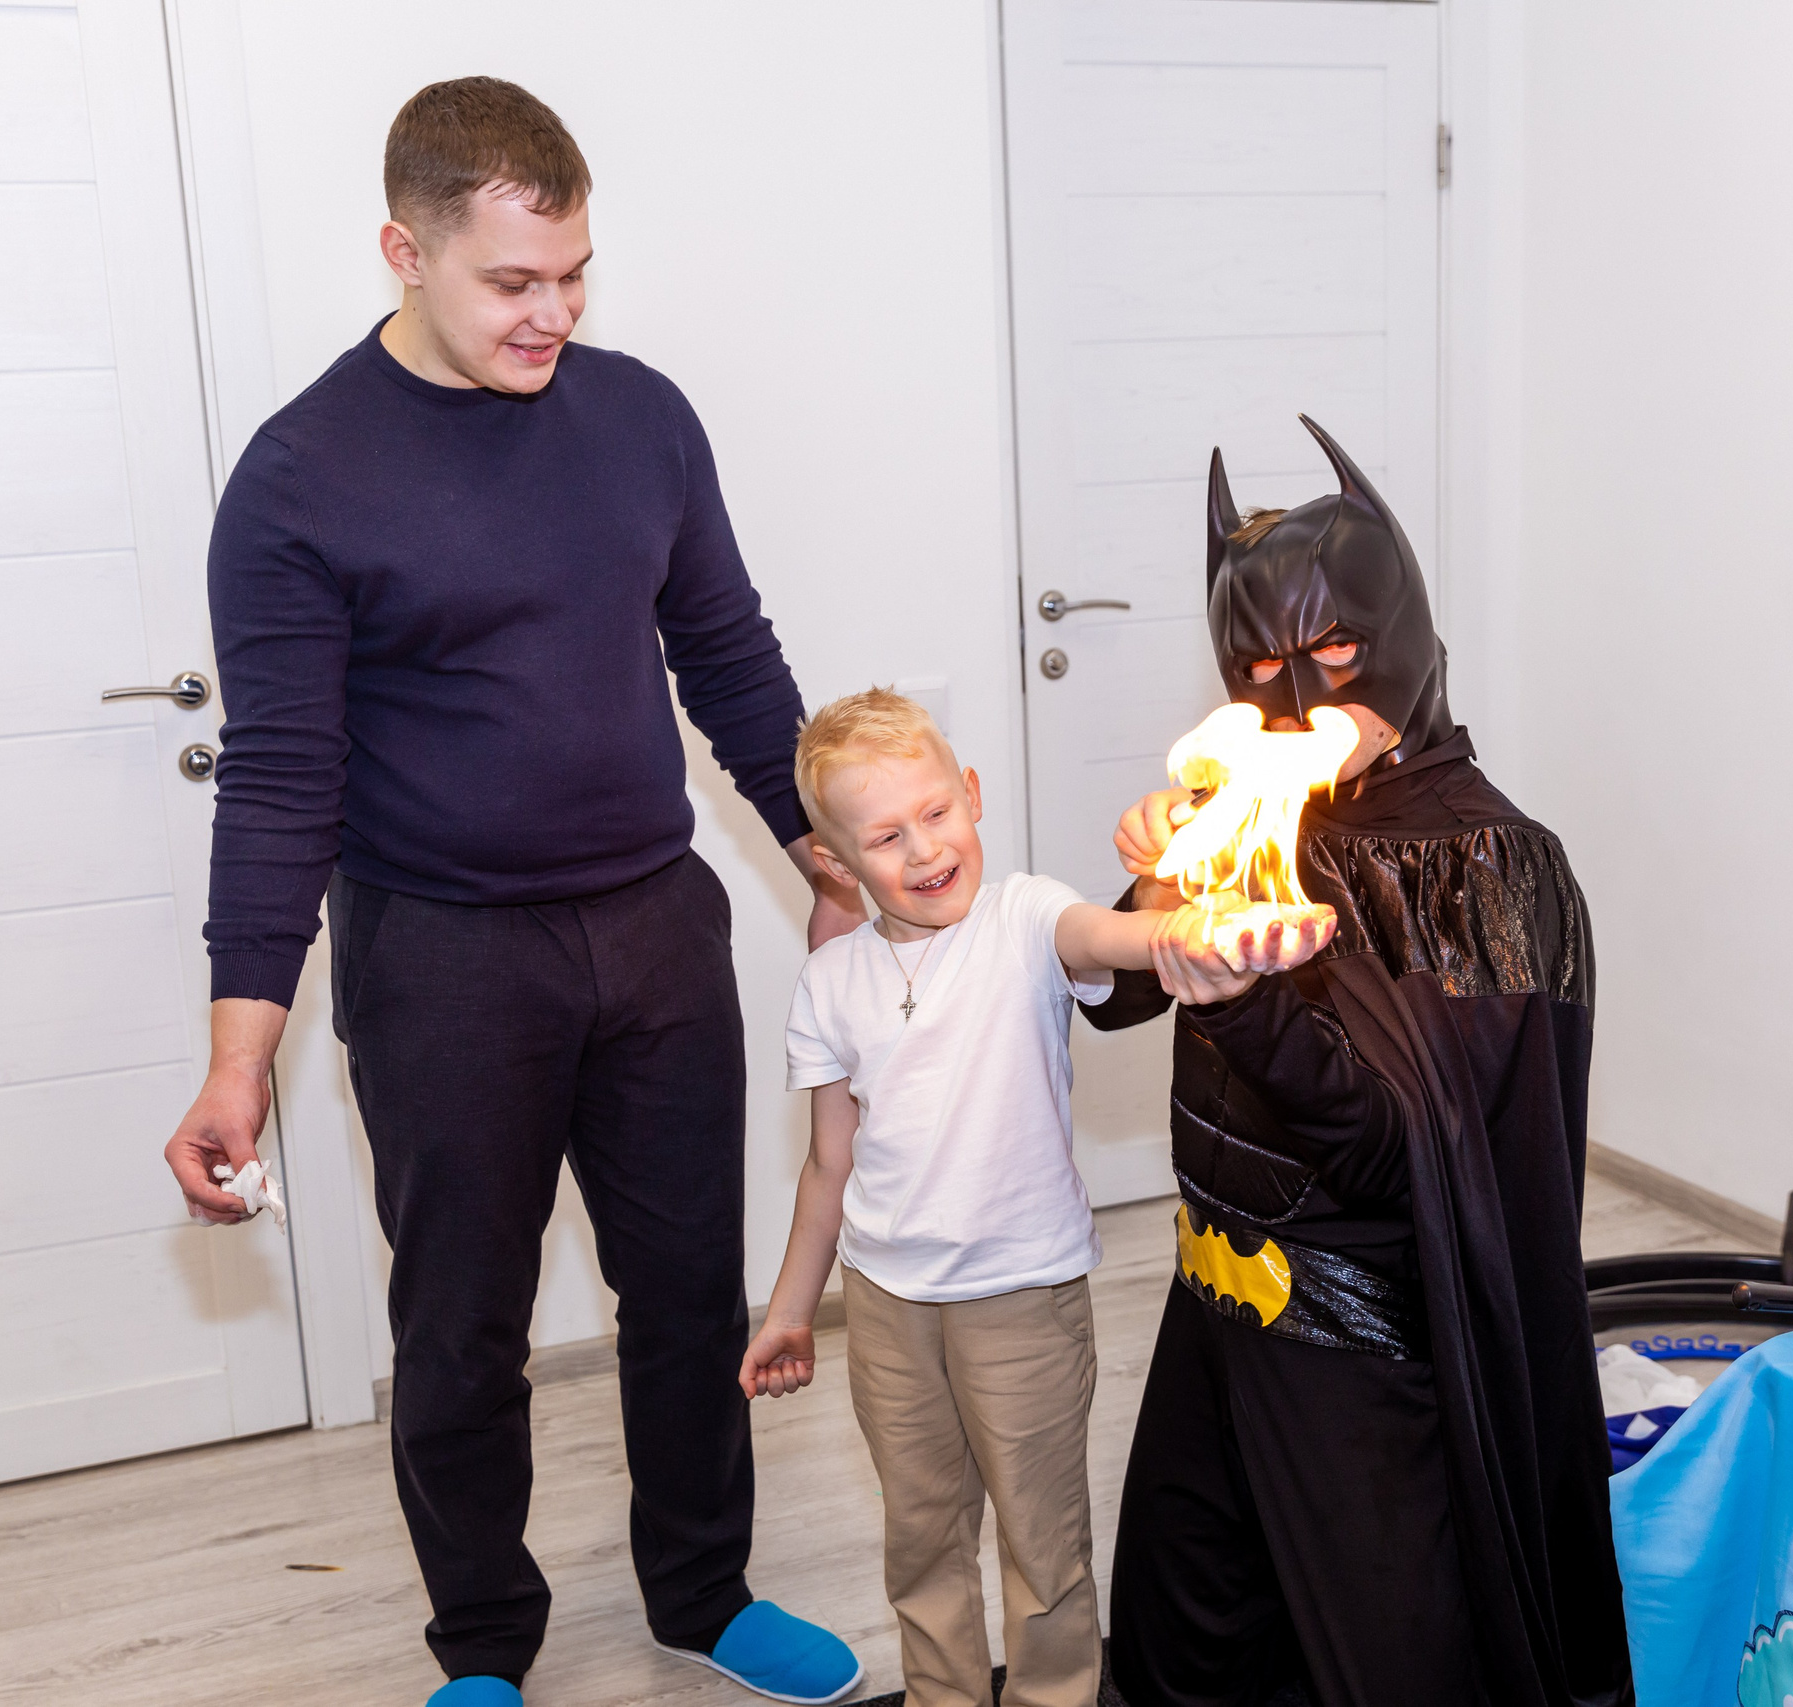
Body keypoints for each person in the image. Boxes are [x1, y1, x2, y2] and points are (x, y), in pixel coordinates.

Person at [160, 77, 869, 1707]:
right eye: (512, 282)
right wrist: (239, 1054)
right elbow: (280, 780)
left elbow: (735, 666)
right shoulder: (299, 480)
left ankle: (704, 1588)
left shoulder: (641, 418)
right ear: (405, 250)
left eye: (575, 276)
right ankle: (484, 1644)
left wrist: (832, 859)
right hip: (442, 959)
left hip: (658, 927)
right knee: (464, 1327)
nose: (553, 314)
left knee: (686, 1286)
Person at [1088, 418, 1633, 1707]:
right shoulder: (1262, 811)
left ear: (1402, 639)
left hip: (1365, 1363)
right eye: (1257, 666)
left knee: (1388, 1664)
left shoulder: (1490, 867)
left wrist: (1242, 1004)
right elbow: (1111, 992)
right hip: (1212, 1313)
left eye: (1333, 653)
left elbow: (1402, 1151)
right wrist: (1169, 870)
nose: (1295, 700)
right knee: (1181, 1648)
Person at [738, 690, 1335, 1707]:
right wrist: (791, 1308)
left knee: (1040, 1540)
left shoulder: (1021, 918)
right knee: (921, 1538)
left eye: (936, 812)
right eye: (885, 836)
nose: (924, 848)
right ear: (837, 864)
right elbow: (827, 1167)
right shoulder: (829, 983)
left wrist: (1190, 937)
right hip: (886, 1310)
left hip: (1024, 1302)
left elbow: (1114, 938)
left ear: (971, 797)